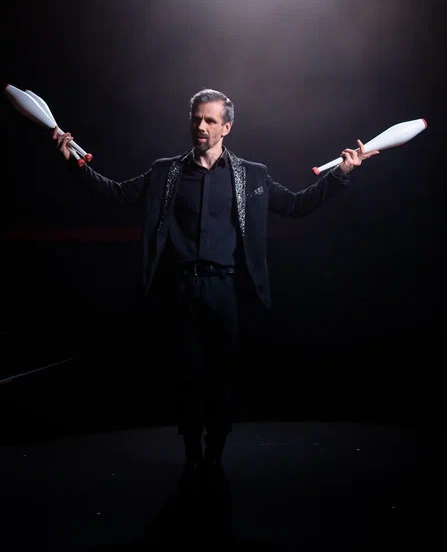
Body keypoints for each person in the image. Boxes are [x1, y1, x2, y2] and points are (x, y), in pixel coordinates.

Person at [54, 89, 379, 496]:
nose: (201, 126)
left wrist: (342, 172)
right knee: (187, 377)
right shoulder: (166, 172)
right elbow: (116, 193)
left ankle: (214, 457)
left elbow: (297, 205)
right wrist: (73, 162)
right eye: (196, 119)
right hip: (180, 290)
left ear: (227, 127)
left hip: (226, 290)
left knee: (221, 379)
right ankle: (192, 457)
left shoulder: (252, 175)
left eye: (210, 120)